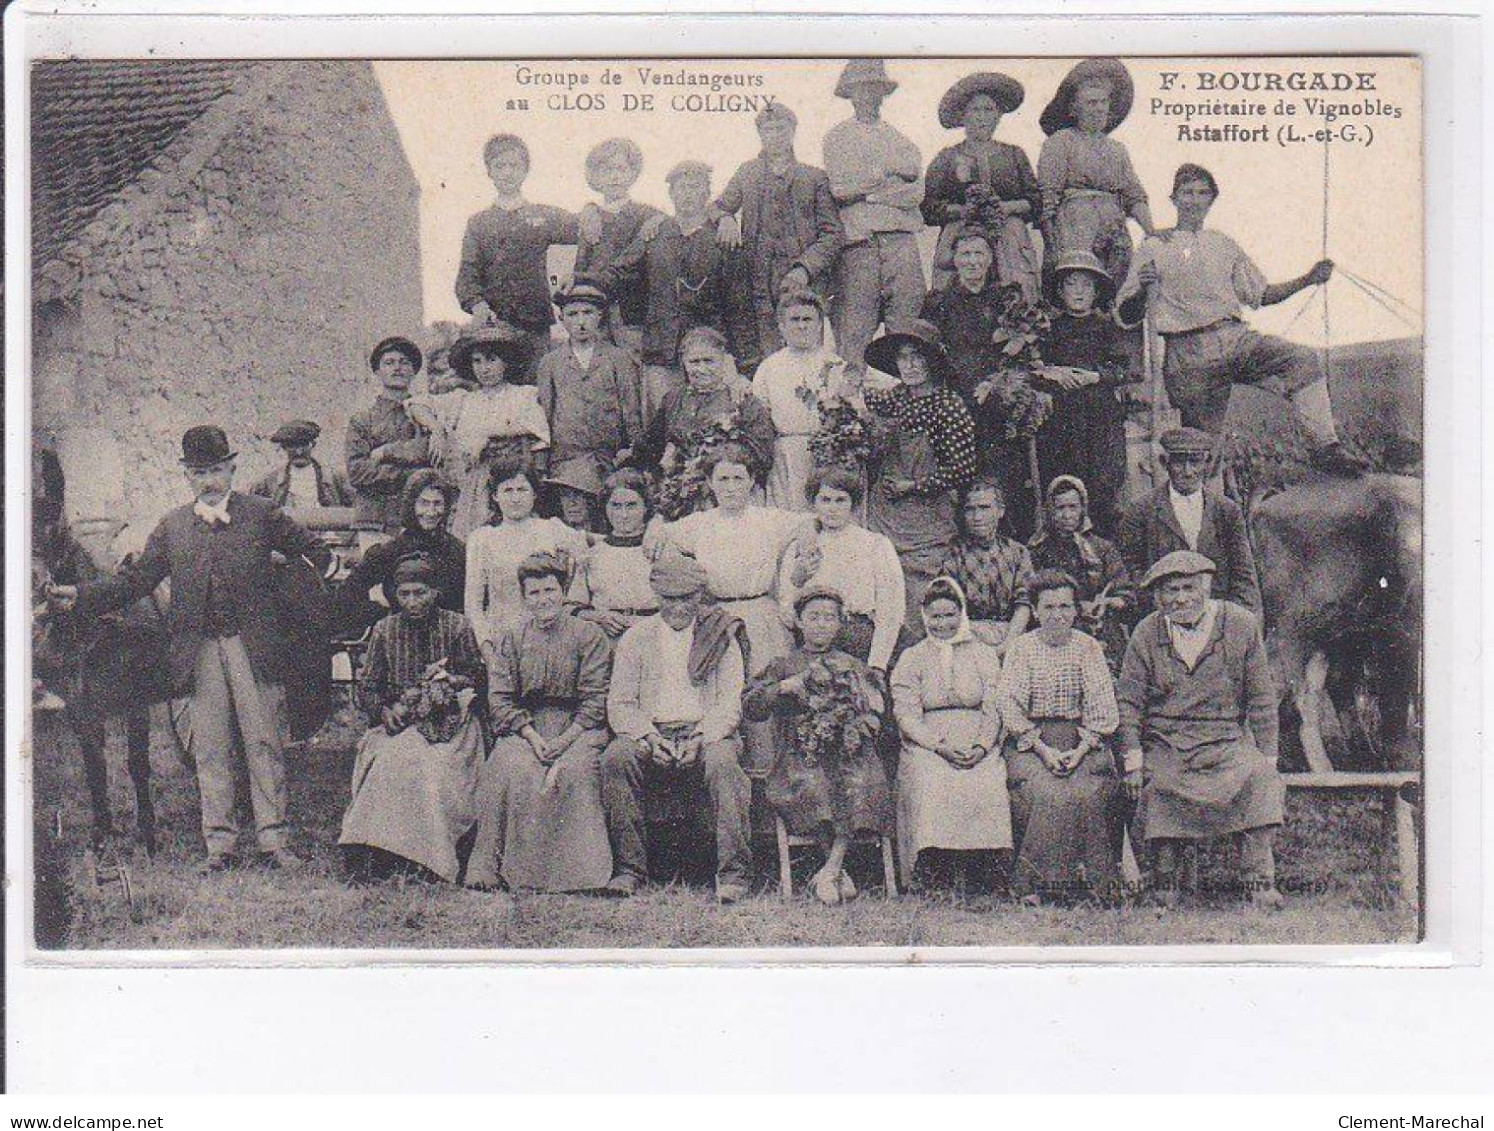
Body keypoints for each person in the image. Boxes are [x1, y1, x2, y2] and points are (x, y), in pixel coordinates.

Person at [52, 426, 329, 872]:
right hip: (198, 650)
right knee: (210, 746)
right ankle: (219, 844)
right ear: (187, 475)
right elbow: (135, 582)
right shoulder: (173, 526)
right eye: (199, 472)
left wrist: (286, 593)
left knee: (263, 742)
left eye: (216, 470)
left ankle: (273, 839)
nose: (209, 481)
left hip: (252, 645)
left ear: (232, 469)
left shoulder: (262, 514)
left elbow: (315, 552)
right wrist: (80, 595)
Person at [1116, 163, 1365, 476]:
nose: (1194, 200)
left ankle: (1326, 449)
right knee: (1201, 455)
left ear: (1212, 201)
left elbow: (1261, 295)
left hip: (1235, 339)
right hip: (1189, 359)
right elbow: (1126, 313)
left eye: (1202, 193)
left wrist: (1309, 278)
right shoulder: (1154, 246)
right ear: (1174, 198)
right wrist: (1141, 288)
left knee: (1301, 359)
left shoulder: (1223, 244)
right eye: (1187, 192)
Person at [1117, 551, 1286, 909]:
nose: (1180, 598)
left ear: (1206, 588)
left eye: (1189, 588)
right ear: (1159, 597)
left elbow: (1261, 697)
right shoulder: (1146, 633)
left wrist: (1268, 755)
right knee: (1159, 784)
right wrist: (1133, 759)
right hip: (1168, 742)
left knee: (1258, 778)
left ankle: (1259, 880)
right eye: (1171, 591)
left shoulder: (1239, 625)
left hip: (1226, 741)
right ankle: (1165, 883)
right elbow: (1129, 703)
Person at [599, 548, 752, 903]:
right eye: (669, 599)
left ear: (700, 596)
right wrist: (650, 737)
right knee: (616, 759)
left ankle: (733, 874)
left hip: (708, 732)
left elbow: (731, 702)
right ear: (657, 597)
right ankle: (629, 870)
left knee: (723, 764)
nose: (679, 608)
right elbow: (620, 703)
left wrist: (701, 736)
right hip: (651, 731)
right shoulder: (636, 638)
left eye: (687, 599)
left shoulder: (720, 636)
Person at [338, 553, 488, 884]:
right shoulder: (385, 629)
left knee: (434, 769)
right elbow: (367, 688)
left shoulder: (457, 626)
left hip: (453, 725)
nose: (412, 602)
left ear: (435, 592)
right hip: (402, 724)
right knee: (392, 763)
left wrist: (448, 683)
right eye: (404, 594)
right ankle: (378, 852)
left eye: (420, 593)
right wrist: (383, 710)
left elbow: (476, 676)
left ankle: (429, 859)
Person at [472, 552, 614, 893]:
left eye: (550, 590)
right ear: (524, 597)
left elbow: (596, 697)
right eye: (534, 593)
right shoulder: (512, 637)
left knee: (575, 771)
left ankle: (575, 876)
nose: (543, 600)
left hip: (579, 726)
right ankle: (493, 870)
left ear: (563, 591)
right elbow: (501, 698)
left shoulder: (588, 635)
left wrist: (566, 740)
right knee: (510, 766)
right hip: (527, 725)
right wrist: (531, 736)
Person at [32, 495, 165, 853]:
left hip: (103, 575)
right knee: (40, 638)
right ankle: (103, 820)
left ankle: (145, 812)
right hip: (64, 592)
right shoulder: (41, 544)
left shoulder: (82, 542)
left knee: (145, 598)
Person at [745, 586, 892, 905]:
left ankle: (830, 870)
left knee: (863, 782)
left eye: (829, 618)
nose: (821, 624)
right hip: (800, 754)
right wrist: (784, 687)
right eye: (813, 617)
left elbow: (875, 708)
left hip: (849, 751)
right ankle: (837, 872)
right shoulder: (783, 664)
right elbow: (752, 706)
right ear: (798, 621)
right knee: (815, 785)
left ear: (840, 624)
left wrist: (867, 711)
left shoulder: (852, 664)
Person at [997, 568, 1124, 904]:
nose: (1057, 616)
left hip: (1083, 739)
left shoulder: (1088, 647)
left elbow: (1101, 706)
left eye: (1065, 607)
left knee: (1086, 791)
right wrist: (1042, 750)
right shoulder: (1022, 648)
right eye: (1049, 608)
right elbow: (1010, 706)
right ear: (1035, 611)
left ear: (1075, 610)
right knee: (1050, 793)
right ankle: (1037, 887)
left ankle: (1096, 886)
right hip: (1030, 742)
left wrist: (1081, 750)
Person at [598, 160, 752, 421]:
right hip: (662, 349)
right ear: (671, 193)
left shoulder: (723, 236)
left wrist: (744, 359)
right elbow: (618, 271)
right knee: (661, 422)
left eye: (695, 187)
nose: (688, 194)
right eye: (681, 188)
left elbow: (738, 303)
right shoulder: (655, 233)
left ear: (707, 193)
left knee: (712, 423)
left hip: (708, 350)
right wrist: (581, 280)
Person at [891, 577, 1010, 893]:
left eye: (949, 615)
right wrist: (939, 746)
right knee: (930, 779)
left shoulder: (983, 654)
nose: (943, 623)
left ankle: (981, 872)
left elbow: (995, 705)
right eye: (935, 616)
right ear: (924, 616)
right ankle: (934, 870)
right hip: (929, 742)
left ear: (962, 613)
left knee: (987, 779)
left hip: (976, 737)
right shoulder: (912, 657)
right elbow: (906, 714)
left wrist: (983, 746)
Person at [710, 102, 846, 372]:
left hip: (802, 284)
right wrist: (724, 218)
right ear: (760, 134)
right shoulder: (747, 173)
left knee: (807, 358)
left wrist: (805, 269)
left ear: (793, 131)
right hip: (758, 282)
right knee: (766, 361)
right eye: (768, 129)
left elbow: (833, 233)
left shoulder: (813, 177)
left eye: (781, 128)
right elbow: (717, 206)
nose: (775, 135)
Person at [661, 442, 806, 693]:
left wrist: (806, 540)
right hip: (717, 616)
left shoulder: (769, 519)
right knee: (721, 688)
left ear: (751, 481)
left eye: (738, 478)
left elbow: (808, 523)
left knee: (763, 688)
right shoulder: (699, 523)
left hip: (762, 616)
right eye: (723, 479)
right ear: (710, 482)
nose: (730, 487)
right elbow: (664, 535)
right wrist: (654, 527)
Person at [862, 319, 979, 628]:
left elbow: (963, 470)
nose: (910, 365)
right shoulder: (895, 398)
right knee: (884, 581)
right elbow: (860, 401)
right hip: (885, 509)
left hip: (927, 515)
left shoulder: (948, 406)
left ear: (932, 361)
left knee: (920, 586)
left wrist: (914, 485)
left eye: (917, 357)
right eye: (903, 358)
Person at [822, 59, 926, 368]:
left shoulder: (900, 139)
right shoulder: (837, 138)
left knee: (906, 331)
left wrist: (866, 191)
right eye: (861, 90)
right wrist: (886, 182)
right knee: (854, 336)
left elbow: (914, 192)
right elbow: (840, 189)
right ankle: (851, 410)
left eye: (875, 90)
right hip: (859, 245)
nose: (869, 97)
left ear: (883, 94)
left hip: (901, 242)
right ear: (851, 95)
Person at [408, 324, 550, 540]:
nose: (485, 368)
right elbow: (416, 404)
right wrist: (437, 430)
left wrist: (489, 436)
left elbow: (534, 429)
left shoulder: (523, 396)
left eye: (492, 359)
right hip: (473, 489)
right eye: (477, 361)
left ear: (506, 362)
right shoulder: (463, 400)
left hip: (512, 487)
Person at [455, 133, 580, 371]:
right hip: (495, 326)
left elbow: (585, 232)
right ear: (489, 171)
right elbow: (467, 275)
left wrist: (576, 274)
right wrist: (478, 305)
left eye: (515, 165)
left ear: (525, 170)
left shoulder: (545, 216)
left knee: (536, 394)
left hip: (534, 326)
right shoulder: (479, 223)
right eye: (500, 166)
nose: (508, 172)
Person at [1035, 250, 1138, 538]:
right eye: (1071, 284)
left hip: (1100, 421)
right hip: (1062, 422)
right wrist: (1053, 373)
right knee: (1064, 486)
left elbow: (1123, 371)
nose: (1078, 292)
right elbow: (1032, 369)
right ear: (1059, 290)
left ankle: (1105, 552)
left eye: (1086, 285)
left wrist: (1094, 377)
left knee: (1104, 489)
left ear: (1096, 292)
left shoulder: (1107, 328)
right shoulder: (1048, 330)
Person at [1118, 427, 1261, 616]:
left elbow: (1243, 573)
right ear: (1164, 463)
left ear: (1207, 464)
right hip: (1164, 616)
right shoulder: (1141, 511)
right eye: (1179, 462)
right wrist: (1160, 607)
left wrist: (1238, 621)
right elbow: (1131, 571)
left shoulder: (1226, 511)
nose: (1187, 472)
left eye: (1195, 462)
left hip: (1217, 617)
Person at [777, 465, 906, 677]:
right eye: (825, 500)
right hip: (813, 644)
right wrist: (797, 581)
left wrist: (877, 664)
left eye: (840, 500)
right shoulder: (800, 547)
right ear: (814, 503)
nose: (832, 508)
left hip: (859, 641)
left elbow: (891, 610)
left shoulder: (875, 544)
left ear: (853, 504)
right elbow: (787, 614)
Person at [923, 71, 1041, 299]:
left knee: (1017, 294)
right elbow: (928, 207)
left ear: (998, 115)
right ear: (963, 116)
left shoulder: (1014, 155)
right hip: (961, 237)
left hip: (1010, 237)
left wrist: (1006, 208)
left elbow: (1035, 201)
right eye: (975, 110)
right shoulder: (947, 158)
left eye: (989, 110)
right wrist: (962, 211)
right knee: (957, 298)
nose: (982, 117)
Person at [1036, 57, 1153, 287]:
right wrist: (1053, 245)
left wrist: (1151, 231)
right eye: (1090, 103)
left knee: (1116, 287)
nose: (1098, 109)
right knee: (1079, 285)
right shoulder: (1060, 142)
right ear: (1074, 109)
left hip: (1114, 228)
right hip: (1075, 227)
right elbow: (1047, 198)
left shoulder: (1117, 150)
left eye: (1102, 102)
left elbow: (1134, 195)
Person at [464, 460, 589, 657]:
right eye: (508, 490)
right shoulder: (482, 539)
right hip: (503, 642)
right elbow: (473, 604)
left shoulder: (553, 529)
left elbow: (586, 558)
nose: (515, 498)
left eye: (522, 490)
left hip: (552, 640)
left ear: (534, 494)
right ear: (495, 496)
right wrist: (487, 649)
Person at [751, 290, 854, 510]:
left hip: (828, 455)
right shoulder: (769, 367)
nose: (801, 326)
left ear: (819, 325)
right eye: (794, 320)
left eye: (808, 319)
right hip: (786, 454)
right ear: (781, 326)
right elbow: (760, 417)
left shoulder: (836, 365)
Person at [634, 325, 776, 484]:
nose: (701, 369)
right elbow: (652, 444)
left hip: (728, 488)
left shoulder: (742, 400)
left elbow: (762, 454)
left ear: (723, 359)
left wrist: (714, 462)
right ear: (684, 363)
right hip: (679, 489)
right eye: (694, 362)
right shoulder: (673, 399)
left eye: (709, 361)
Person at [534, 280, 644, 477]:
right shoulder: (550, 363)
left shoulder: (618, 358)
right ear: (561, 318)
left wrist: (633, 453)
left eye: (588, 313)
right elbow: (545, 415)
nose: (581, 321)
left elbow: (631, 411)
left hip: (612, 459)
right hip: (567, 462)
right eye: (573, 314)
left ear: (599, 316)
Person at [336, 468, 466, 636]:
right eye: (424, 503)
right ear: (411, 505)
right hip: (400, 642)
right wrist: (381, 615)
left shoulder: (457, 551)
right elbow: (347, 593)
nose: (431, 512)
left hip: (446, 640)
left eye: (437, 503)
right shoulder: (391, 551)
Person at [1029, 475, 1135, 672]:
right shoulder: (1038, 551)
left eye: (1073, 507)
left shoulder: (1102, 548)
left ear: (1082, 509)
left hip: (1101, 628)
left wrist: (1106, 603)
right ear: (1050, 511)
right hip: (1057, 625)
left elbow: (1126, 594)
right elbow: (1032, 596)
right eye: (1060, 508)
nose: (1067, 515)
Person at [574, 138, 664, 359]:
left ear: (632, 174)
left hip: (631, 313)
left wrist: (659, 219)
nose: (614, 177)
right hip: (596, 312)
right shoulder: (590, 218)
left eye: (620, 169)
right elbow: (581, 263)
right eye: (606, 170)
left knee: (632, 368)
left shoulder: (646, 214)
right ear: (596, 176)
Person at [345, 336, 432, 532]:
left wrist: (387, 454)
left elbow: (433, 452)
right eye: (389, 363)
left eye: (404, 362)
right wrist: (411, 474)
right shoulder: (362, 420)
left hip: (421, 516)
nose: (397, 368)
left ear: (414, 371)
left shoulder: (429, 416)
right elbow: (358, 472)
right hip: (374, 517)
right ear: (377, 371)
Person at [937, 477, 1034, 650]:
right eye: (970, 510)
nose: (977, 517)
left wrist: (1008, 643)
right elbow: (948, 607)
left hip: (1012, 635)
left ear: (1000, 511)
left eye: (984, 508)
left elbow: (1024, 603)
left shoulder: (1017, 553)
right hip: (968, 638)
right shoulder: (954, 555)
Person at [568, 467, 660, 643]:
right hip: (606, 642)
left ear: (646, 506)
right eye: (616, 506)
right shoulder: (592, 553)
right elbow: (573, 608)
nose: (623, 515)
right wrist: (598, 617)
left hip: (653, 639)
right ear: (605, 507)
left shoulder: (659, 548)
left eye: (631, 505)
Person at [248, 420, 354, 510]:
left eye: (304, 444)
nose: (299, 452)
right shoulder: (270, 481)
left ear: (312, 445)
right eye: (292, 446)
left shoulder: (334, 478)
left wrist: (339, 534)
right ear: (284, 448)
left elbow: (357, 511)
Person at [543, 455, 605, 535]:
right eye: (565, 494)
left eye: (578, 494)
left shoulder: (606, 540)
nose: (572, 502)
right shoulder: (550, 536)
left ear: (592, 501)